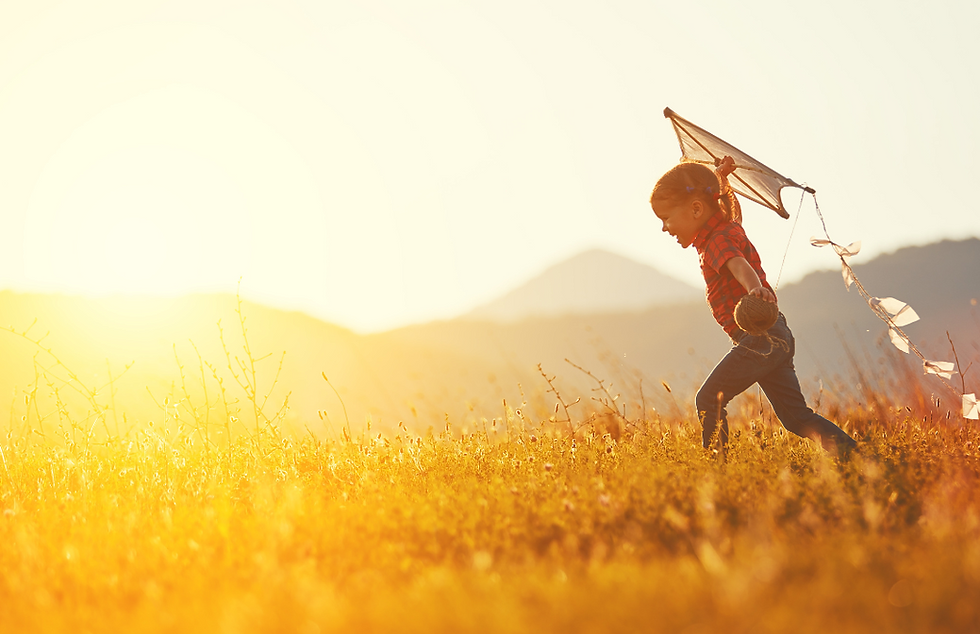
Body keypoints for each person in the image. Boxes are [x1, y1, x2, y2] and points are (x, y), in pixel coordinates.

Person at [649, 156, 856, 458]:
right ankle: (859, 458)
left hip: (761, 340)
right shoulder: (726, 229)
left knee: (709, 399)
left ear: (696, 209)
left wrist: (754, 288)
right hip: (776, 337)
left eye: (666, 218)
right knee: (796, 417)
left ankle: (717, 469)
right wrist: (721, 180)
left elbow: (738, 264)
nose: (665, 228)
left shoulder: (718, 242)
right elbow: (732, 213)